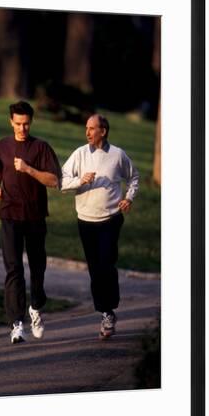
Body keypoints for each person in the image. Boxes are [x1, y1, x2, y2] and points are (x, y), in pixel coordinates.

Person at [0, 101, 61, 344]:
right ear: (11, 122)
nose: (22, 128)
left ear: (32, 121)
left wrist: (29, 169)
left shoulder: (41, 148)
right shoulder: (1, 146)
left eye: (26, 123)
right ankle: (17, 324)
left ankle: (36, 307)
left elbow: (53, 181)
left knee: (37, 267)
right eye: (18, 123)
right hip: (9, 214)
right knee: (13, 269)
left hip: (35, 216)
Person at [61, 114, 139, 339]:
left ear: (103, 131)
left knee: (106, 264)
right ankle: (106, 312)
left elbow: (133, 178)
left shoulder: (118, 155)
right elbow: (62, 181)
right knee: (95, 269)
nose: (87, 132)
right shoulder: (79, 154)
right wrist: (80, 181)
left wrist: (129, 198)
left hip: (110, 220)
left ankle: (109, 307)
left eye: (91, 128)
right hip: (85, 221)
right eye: (86, 128)